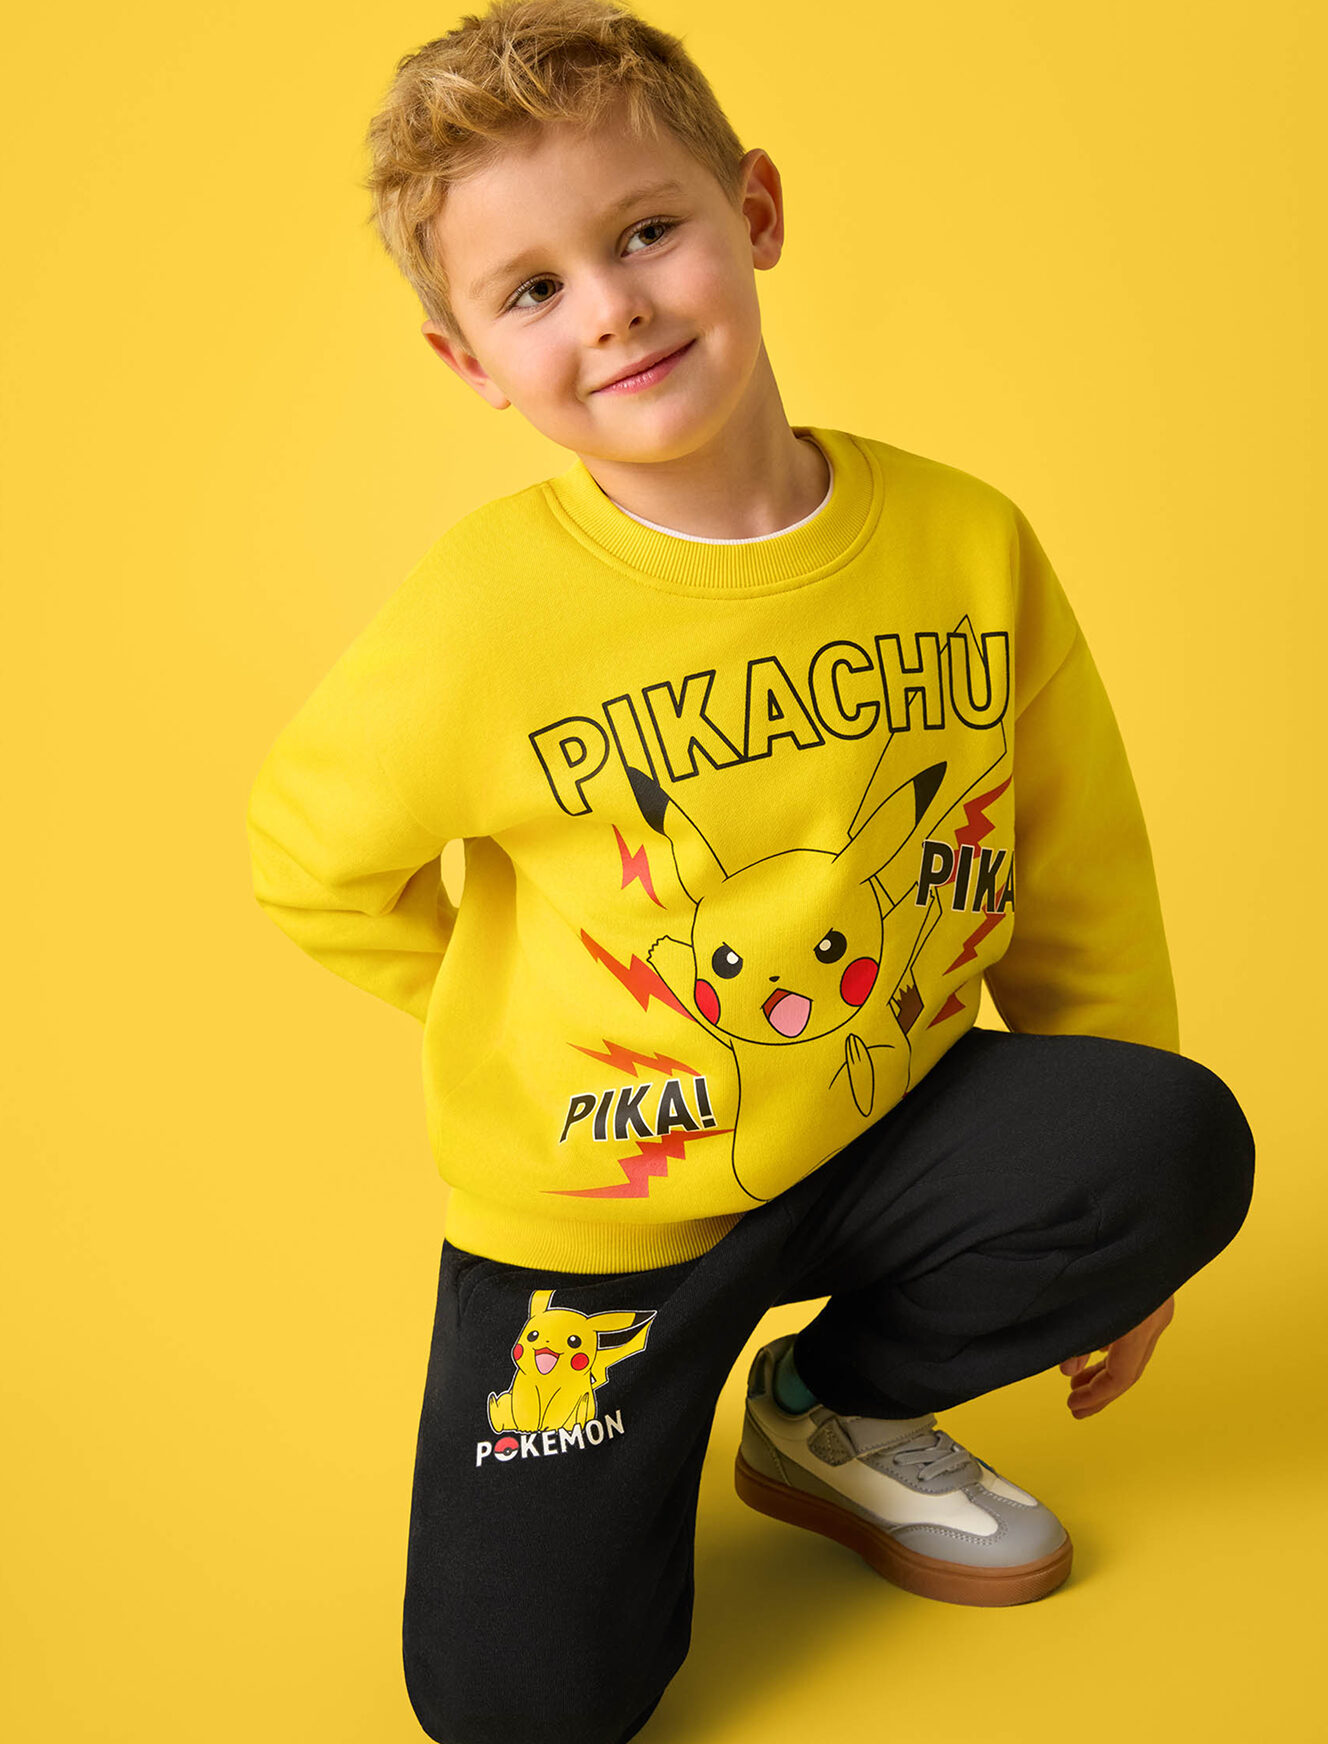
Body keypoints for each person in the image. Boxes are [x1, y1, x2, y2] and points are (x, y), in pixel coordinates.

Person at [245, 3, 1256, 1740]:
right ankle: (650, 1415)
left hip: (889, 1121)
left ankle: (829, 1407)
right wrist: (503, 1014)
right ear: (469, 361)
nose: (613, 307)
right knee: (523, 1708)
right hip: (606, 1209)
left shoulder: (964, 541)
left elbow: (1076, 862)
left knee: (1167, 1140)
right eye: (533, 289)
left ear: (756, 213)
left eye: (647, 231)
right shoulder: (484, 616)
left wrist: (1124, 1244)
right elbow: (309, 860)